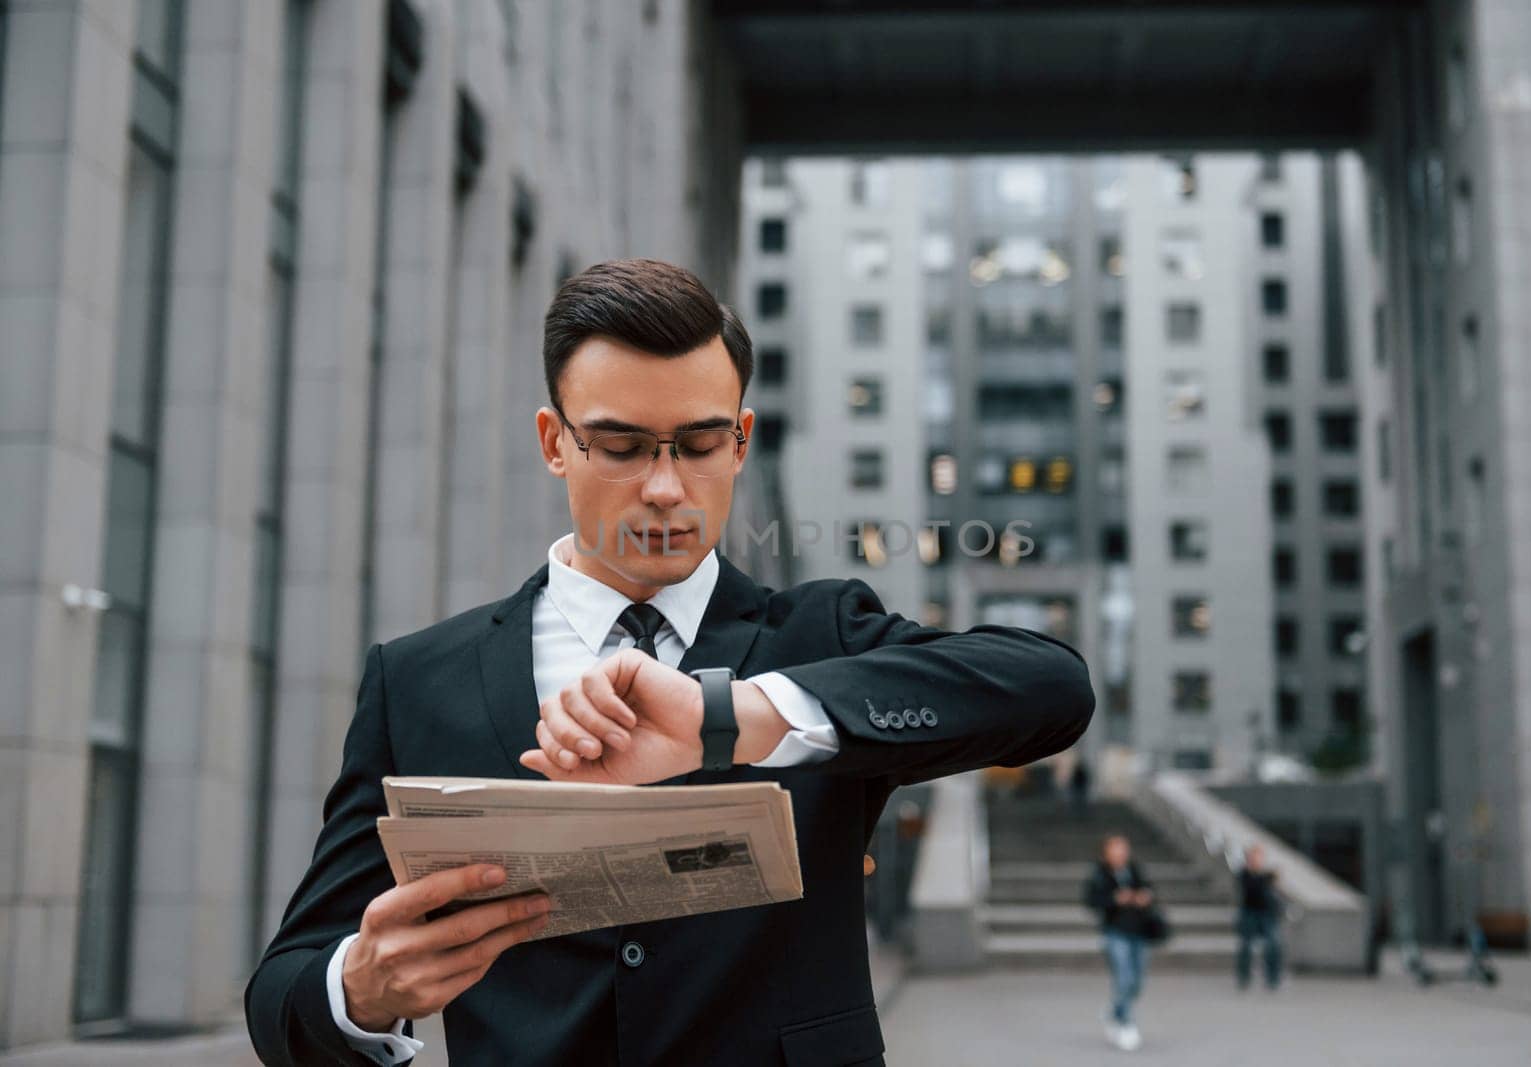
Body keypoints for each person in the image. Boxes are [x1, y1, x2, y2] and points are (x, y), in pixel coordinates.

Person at [245, 259, 1097, 1066]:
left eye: (696, 444)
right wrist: (360, 987)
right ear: (555, 441)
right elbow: (282, 994)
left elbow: (1051, 686)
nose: (664, 487)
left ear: (739, 442)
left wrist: (728, 720)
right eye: (620, 446)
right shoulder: (419, 679)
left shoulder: (817, 636)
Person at [1083, 833, 1154, 1052]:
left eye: (1123, 848)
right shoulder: (1099, 874)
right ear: (1106, 852)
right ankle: (1126, 1023)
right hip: (1115, 931)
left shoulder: (1134, 869)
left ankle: (1115, 1010)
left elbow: (1150, 890)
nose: (1120, 853)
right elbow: (1092, 900)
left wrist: (1143, 896)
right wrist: (1115, 899)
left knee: (1138, 980)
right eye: (1115, 849)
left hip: (1138, 930)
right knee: (1124, 977)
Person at [1236, 843, 1283, 990]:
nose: (1256, 860)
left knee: (1274, 944)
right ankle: (1244, 977)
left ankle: (1273, 978)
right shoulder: (1245, 874)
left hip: (1267, 914)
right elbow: (1252, 890)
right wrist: (1267, 878)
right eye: (1254, 857)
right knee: (1246, 946)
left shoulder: (1265, 876)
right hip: (1249, 913)